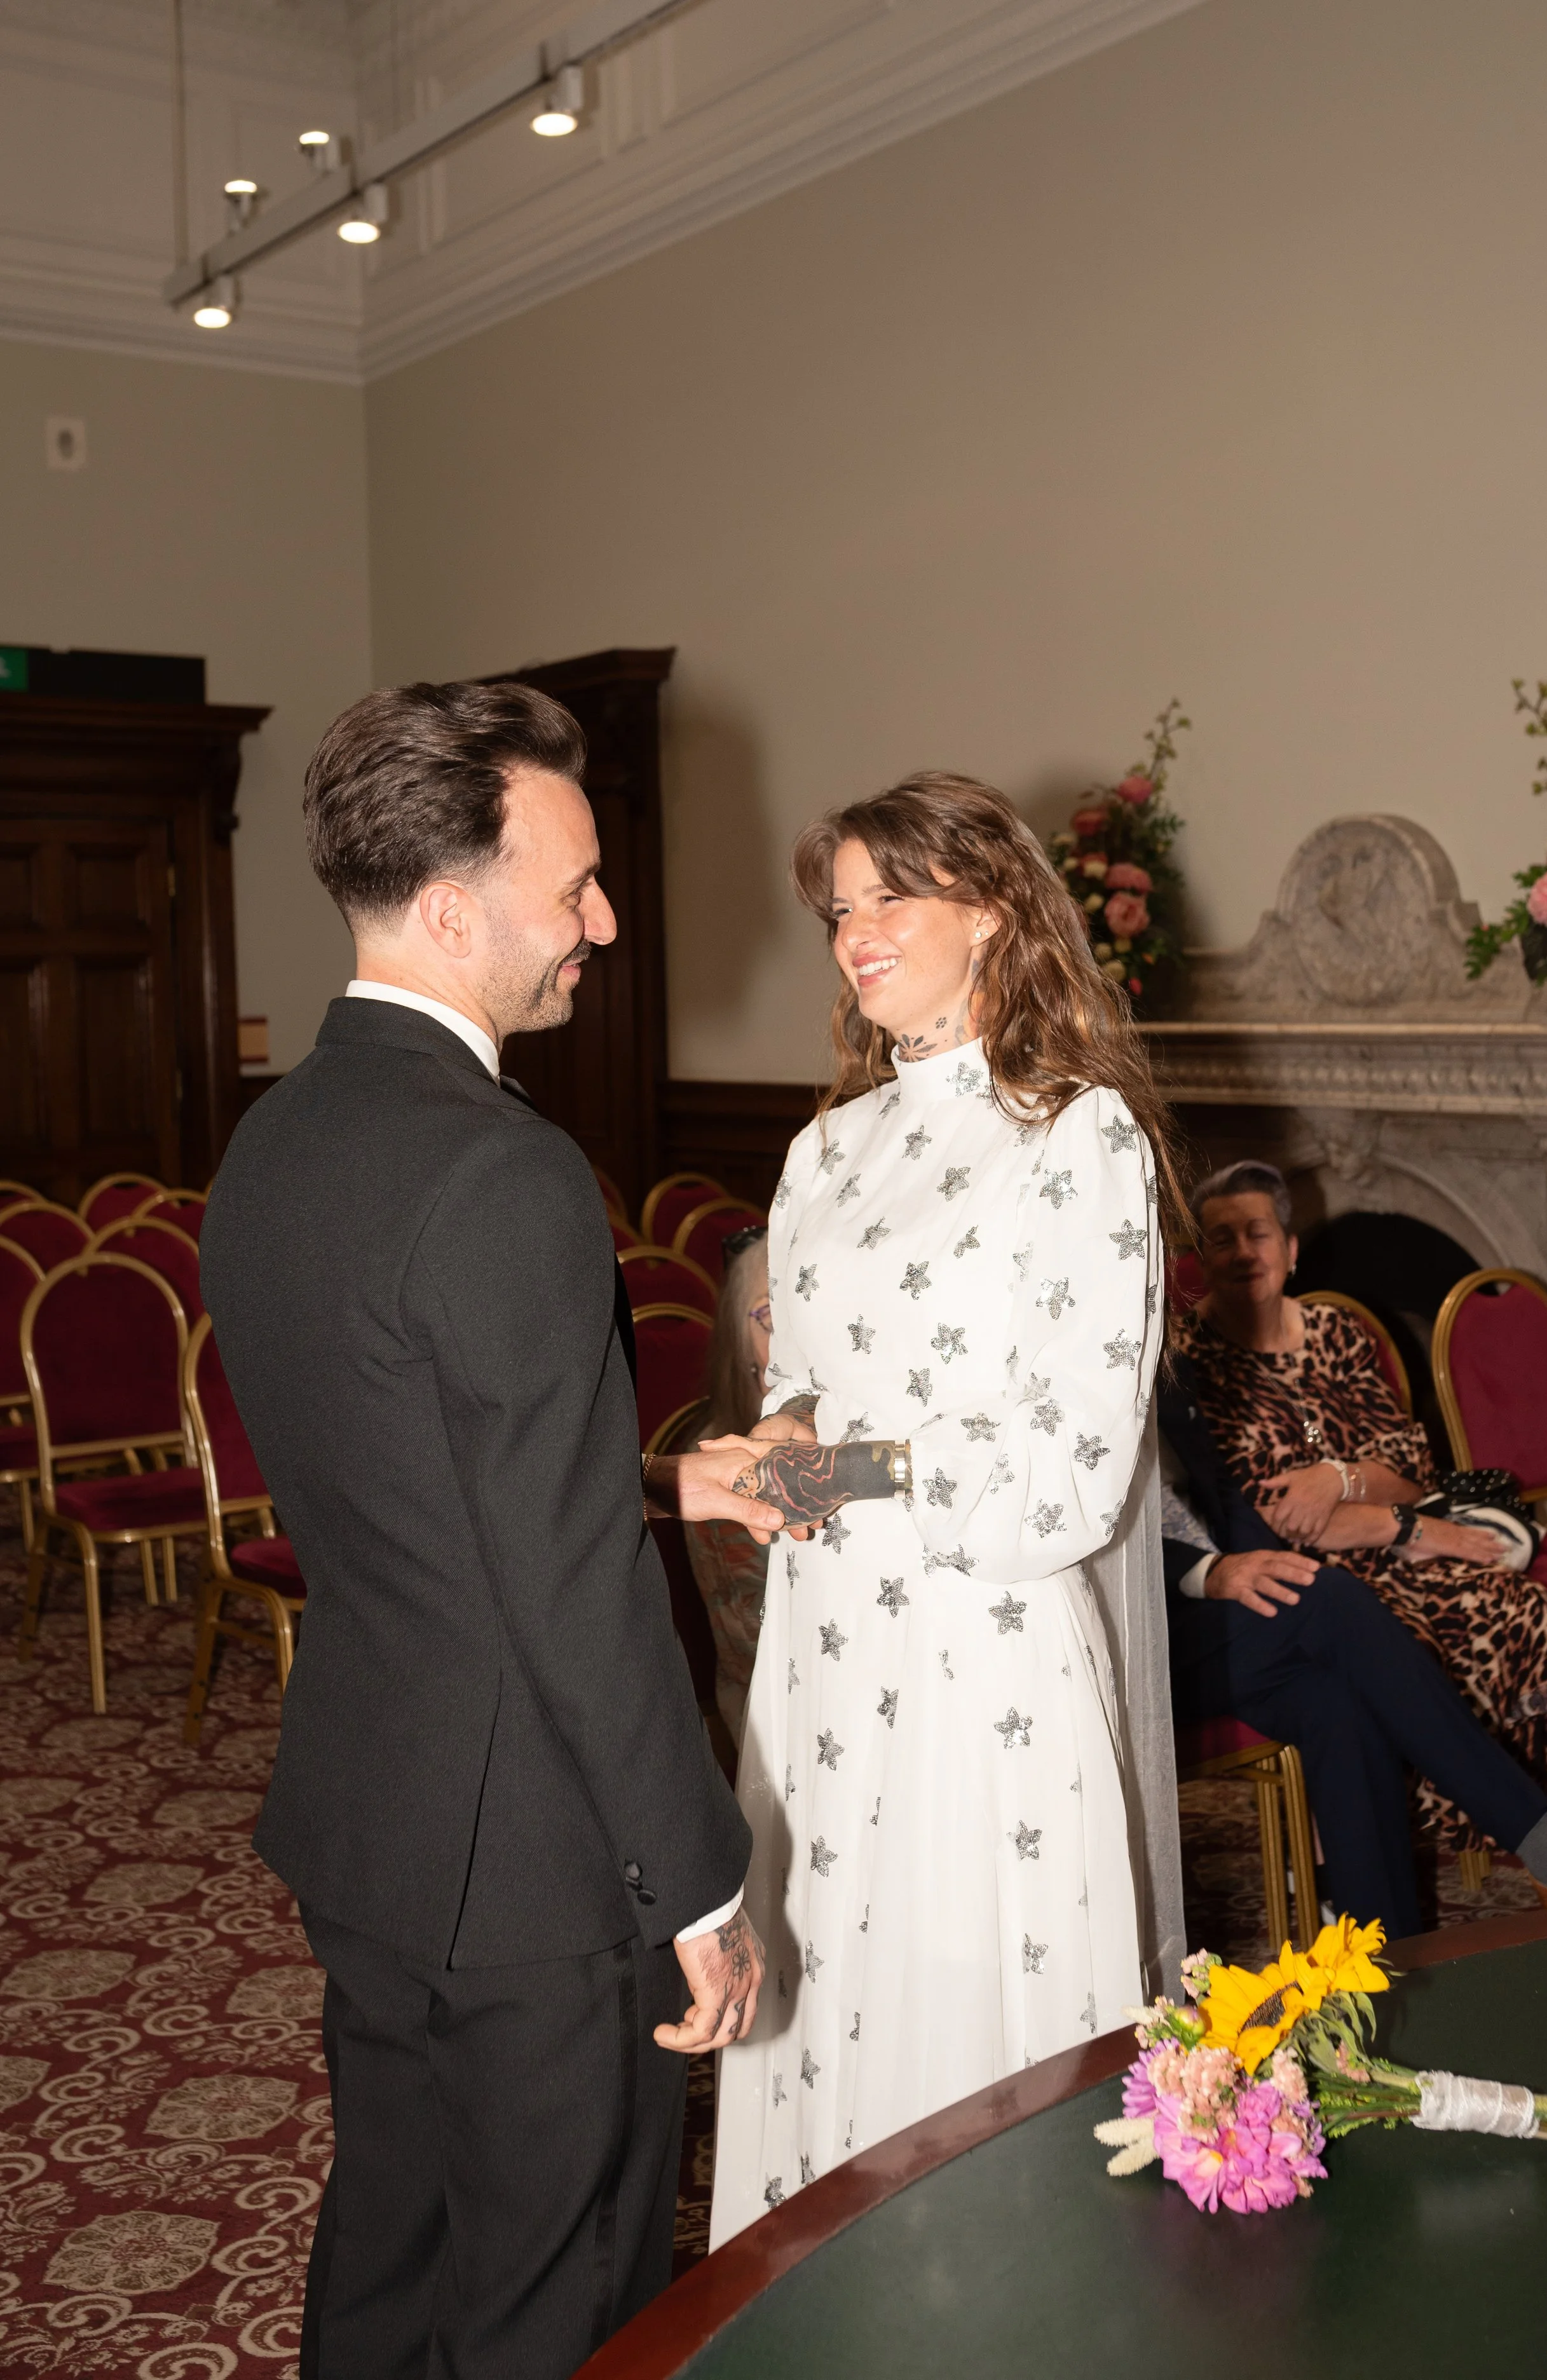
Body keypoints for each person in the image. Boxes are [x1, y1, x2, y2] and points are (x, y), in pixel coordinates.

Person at [201, 681, 785, 2380]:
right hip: (540, 1859)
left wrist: (676, 1475)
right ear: (454, 912)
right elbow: (566, 1586)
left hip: (370, 1815)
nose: (603, 922)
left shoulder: (274, 1141)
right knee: (553, 2304)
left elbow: (419, 1466)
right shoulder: (503, 1170)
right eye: (575, 888)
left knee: (391, 2255)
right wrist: (696, 1881)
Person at [709, 771, 1183, 2247]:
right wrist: (777, 1442)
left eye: (889, 897)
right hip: (824, 1647)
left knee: (963, 2002)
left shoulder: (1078, 1140)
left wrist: (851, 1469)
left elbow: (1072, 1471)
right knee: (824, 1992)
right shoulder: (820, 1154)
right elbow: (799, 1397)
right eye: (840, 908)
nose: (855, 933)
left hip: (987, 1661)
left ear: (990, 911)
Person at [1175, 1161, 1547, 1845]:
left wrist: (1338, 1478)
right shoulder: (1192, 1361)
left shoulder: (1335, 1332)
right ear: (1202, 1259)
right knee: (1410, 1647)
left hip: (1398, 1547)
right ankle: (1425, 1838)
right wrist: (1400, 1522)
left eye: (1259, 1233)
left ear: (1291, 1248)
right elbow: (1269, 1517)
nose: (1245, 1253)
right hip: (1309, 1585)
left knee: (1520, 1608)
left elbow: (1411, 1466)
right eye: (1223, 1240)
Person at [1159, 1375, 1547, 1937]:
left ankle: (1387, 1960)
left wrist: (1263, 1559)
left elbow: (1219, 1504)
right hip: (1137, 1637)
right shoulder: (1071, 1369)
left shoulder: (1168, 1369)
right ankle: (1542, 1840)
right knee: (1330, 1599)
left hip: (1221, 1616)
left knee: (1335, 1698)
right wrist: (1209, 1572)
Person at [683, 1226, 773, 1746]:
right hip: (773, 1710)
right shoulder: (720, 1465)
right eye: (773, 1319)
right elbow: (751, 1654)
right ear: (743, 1342)